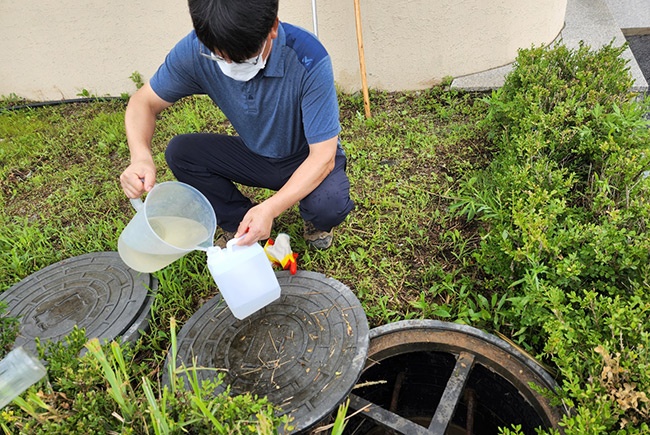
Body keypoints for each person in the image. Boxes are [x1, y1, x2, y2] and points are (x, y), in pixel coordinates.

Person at [119, 0, 354, 249]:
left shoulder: (308, 58)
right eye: (221, 58)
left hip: (306, 155)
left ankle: (314, 221)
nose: (232, 67)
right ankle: (240, 220)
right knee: (181, 152)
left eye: (244, 59)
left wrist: (271, 208)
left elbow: (324, 157)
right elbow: (142, 103)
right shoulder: (196, 50)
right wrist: (140, 157)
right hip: (255, 156)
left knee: (329, 204)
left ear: (273, 27)